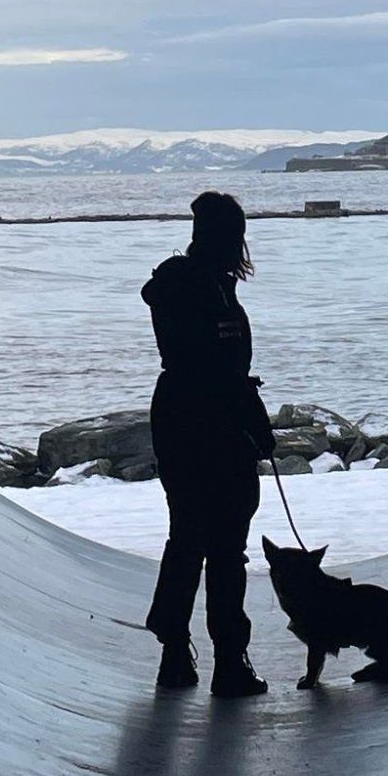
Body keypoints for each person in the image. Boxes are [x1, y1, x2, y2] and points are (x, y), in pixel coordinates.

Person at [142, 191, 276, 697]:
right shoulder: (210, 290)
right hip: (212, 425)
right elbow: (221, 373)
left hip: (176, 417)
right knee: (225, 548)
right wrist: (253, 423)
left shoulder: (180, 284)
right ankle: (229, 662)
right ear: (230, 237)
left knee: (186, 540)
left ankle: (174, 652)